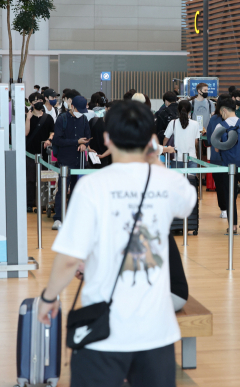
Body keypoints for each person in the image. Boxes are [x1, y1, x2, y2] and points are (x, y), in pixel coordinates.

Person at [37, 100, 197, 387]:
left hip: (103, 332)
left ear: (108, 138)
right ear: (150, 138)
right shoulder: (168, 182)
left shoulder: (92, 186)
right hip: (156, 334)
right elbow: (187, 202)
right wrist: (155, 157)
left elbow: (70, 258)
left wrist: (48, 298)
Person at [213, 97, 240, 234]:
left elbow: (217, 148)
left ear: (224, 110)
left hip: (228, 167)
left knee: (230, 195)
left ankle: (233, 226)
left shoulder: (220, 126)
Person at [51, 95, 92, 230]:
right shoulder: (62, 119)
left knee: (77, 190)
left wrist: (84, 145)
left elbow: (87, 137)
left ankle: (75, 217)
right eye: (78, 110)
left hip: (79, 161)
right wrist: (76, 142)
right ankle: (58, 218)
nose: (80, 113)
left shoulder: (84, 119)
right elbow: (57, 140)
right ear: (72, 106)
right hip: (65, 160)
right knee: (62, 189)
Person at [25, 101, 55, 210]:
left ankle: (42, 204)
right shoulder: (27, 117)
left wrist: (49, 139)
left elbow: (53, 131)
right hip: (30, 153)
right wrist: (28, 118)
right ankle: (29, 203)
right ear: (32, 104)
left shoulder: (48, 118)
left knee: (44, 178)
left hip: (44, 154)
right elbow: (25, 133)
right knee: (30, 179)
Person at [206, 94, 231, 219]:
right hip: (232, 157)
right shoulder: (237, 120)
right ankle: (230, 208)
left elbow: (210, 139)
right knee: (230, 184)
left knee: (220, 185)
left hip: (217, 157)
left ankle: (224, 209)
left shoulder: (214, 119)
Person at [163, 100, 200, 170]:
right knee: (190, 180)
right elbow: (196, 142)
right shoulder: (195, 124)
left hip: (176, 158)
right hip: (192, 158)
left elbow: (166, 139)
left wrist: (164, 150)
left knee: (177, 180)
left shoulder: (172, 123)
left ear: (178, 110)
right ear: (190, 110)